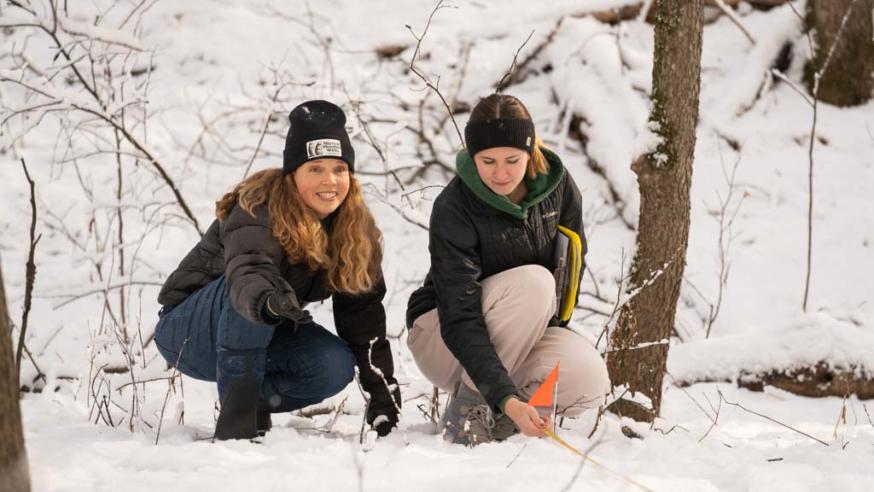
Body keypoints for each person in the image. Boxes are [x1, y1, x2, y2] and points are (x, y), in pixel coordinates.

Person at [154, 100, 400, 441]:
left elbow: (364, 318)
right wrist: (268, 301)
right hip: (189, 331)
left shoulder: (354, 230)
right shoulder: (258, 205)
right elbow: (249, 270)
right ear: (292, 174)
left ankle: (254, 400)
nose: (329, 181)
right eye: (315, 169)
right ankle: (238, 425)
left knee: (333, 365)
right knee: (250, 294)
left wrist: (382, 398)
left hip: (265, 326)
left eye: (339, 169)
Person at [406, 94, 610, 446]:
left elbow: (571, 268)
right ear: (473, 157)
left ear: (530, 152)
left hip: (519, 334)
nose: (500, 173)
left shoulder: (558, 189)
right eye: (488, 161)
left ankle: (503, 416)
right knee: (534, 283)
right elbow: (461, 315)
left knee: (588, 379)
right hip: (443, 336)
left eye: (512, 160)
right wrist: (502, 393)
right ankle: (470, 409)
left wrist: (550, 333)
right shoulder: (454, 207)